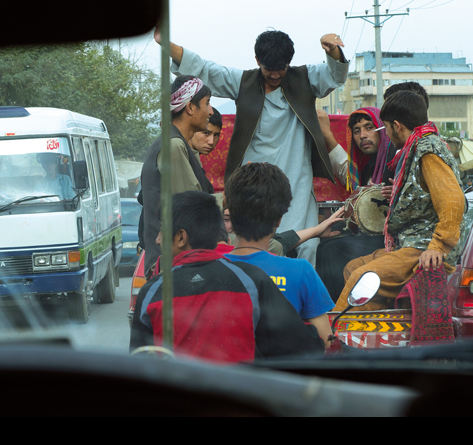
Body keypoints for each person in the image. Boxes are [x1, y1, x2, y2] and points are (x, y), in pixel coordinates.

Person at [158, 27, 348, 266]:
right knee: (255, 252)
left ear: (289, 62)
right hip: (254, 186)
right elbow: (205, 69)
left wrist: (334, 53)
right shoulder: (243, 82)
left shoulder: (305, 78)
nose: (276, 75)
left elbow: (335, 75)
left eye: (282, 69)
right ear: (257, 61)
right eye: (269, 69)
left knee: (308, 247)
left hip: (297, 182)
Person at [129, 190, 324, 362]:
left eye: (162, 232)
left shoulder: (152, 292)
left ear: (181, 237)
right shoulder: (251, 281)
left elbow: (140, 368)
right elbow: (304, 349)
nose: (157, 239)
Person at [332, 91, 467, 312]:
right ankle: (374, 332)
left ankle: (338, 338)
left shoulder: (428, 151)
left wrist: (438, 246)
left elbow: (453, 201)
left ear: (396, 126)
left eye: (385, 127)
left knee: (361, 278)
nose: (385, 133)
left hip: (423, 247)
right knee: (354, 267)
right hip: (408, 244)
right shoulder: (416, 147)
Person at [222, 162, 337, 347]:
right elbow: (327, 344)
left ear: (231, 217)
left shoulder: (211, 269)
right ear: (279, 219)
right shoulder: (300, 271)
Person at [313, 106, 397, 301]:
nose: (363, 136)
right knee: (324, 245)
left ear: (383, 130)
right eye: (357, 131)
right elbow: (348, 173)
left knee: (331, 250)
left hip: (391, 241)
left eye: (369, 128)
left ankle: (337, 310)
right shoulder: (369, 166)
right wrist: (326, 134)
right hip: (371, 237)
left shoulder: (395, 161)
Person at [139, 75, 213, 278]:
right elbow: (194, 207)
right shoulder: (173, 145)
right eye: (207, 103)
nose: (211, 112)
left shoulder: (176, 143)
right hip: (171, 269)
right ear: (190, 108)